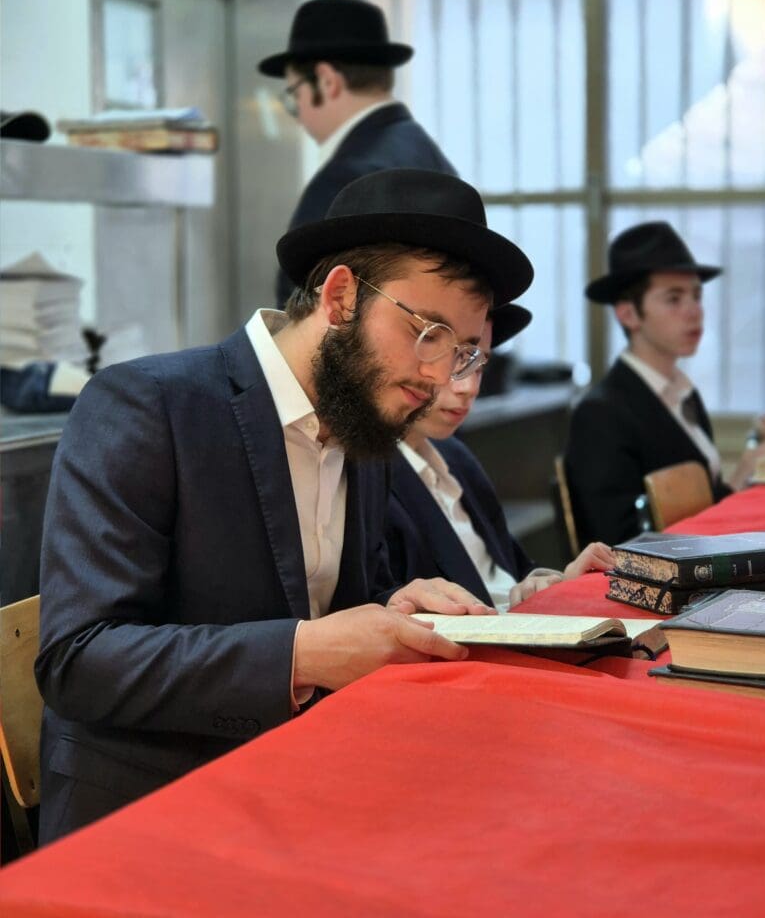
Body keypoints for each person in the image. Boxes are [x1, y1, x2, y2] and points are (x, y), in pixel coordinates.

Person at [34, 167, 534, 844]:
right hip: (154, 813)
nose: (440, 374)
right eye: (429, 333)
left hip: (315, 785)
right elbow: (78, 660)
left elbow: (337, 603)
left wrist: (395, 606)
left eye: (465, 353)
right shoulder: (150, 407)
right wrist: (305, 653)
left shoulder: (363, 426)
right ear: (340, 296)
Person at [387, 305, 615, 610]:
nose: (469, 387)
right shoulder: (368, 478)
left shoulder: (455, 457)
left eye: (478, 365)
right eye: (454, 360)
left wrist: (554, 584)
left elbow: (514, 574)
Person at [564, 220, 765, 546]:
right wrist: (743, 470)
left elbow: (705, 502)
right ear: (628, 314)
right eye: (674, 299)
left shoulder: (683, 393)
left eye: (697, 296)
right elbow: (618, 540)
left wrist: (748, 464)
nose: (695, 312)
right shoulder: (601, 414)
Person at [258, 0, 456, 306]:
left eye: (295, 95)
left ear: (327, 82)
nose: (297, 114)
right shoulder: (425, 152)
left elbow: (302, 308)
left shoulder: (349, 176)